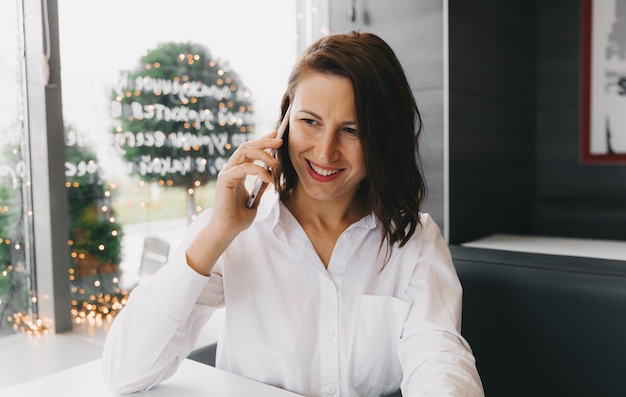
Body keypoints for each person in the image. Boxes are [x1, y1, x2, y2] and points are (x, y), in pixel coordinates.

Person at [102, 30, 484, 397]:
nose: (325, 151)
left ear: (384, 138)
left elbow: (440, 360)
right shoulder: (233, 231)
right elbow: (126, 372)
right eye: (310, 122)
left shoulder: (414, 240)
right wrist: (218, 231)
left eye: (351, 130)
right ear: (285, 120)